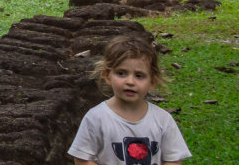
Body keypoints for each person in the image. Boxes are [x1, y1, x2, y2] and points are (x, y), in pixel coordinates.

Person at [69, 31, 191, 165]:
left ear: (152, 82)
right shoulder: (96, 118)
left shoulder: (163, 120)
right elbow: (82, 159)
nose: (130, 82)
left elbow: (173, 160)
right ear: (107, 75)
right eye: (121, 73)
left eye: (139, 75)